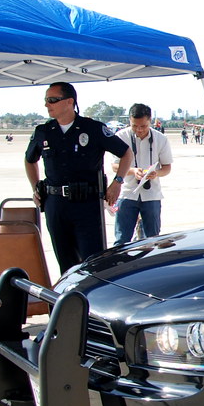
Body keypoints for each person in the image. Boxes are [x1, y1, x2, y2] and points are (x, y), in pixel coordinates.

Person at [25, 82, 133, 273]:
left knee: (94, 263)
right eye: (46, 100)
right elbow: (29, 160)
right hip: (55, 204)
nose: (47, 104)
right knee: (65, 264)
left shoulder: (93, 129)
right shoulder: (44, 131)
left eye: (52, 100)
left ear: (69, 102)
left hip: (86, 205)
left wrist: (117, 183)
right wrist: (35, 187)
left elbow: (126, 153)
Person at [112, 103, 174, 245]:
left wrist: (155, 173)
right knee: (122, 240)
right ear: (129, 120)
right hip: (127, 194)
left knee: (152, 240)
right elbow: (115, 166)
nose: (139, 130)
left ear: (150, 121)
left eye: (143, 126)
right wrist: (133, 171)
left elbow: (167, 168)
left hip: (151, 195)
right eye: (134, 126)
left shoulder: (160, 139)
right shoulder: (121, 136)